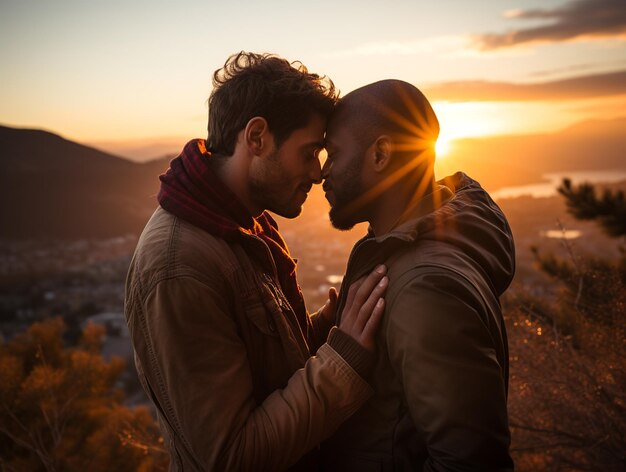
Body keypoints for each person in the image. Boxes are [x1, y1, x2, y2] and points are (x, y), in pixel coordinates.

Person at [124, 52, 389, 471]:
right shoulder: (179, 268)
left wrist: (332, 326)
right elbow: (232, 457)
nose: (318, 173)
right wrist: (345, 358)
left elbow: (269, 372)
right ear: (257, 137)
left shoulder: (245, 224)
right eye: (308, 153)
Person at [320, 79, 515, 471]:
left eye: (334, 154)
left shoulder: (422, 289)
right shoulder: (420, 253)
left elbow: (471, 463)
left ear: (381, 154)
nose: (323, 172)